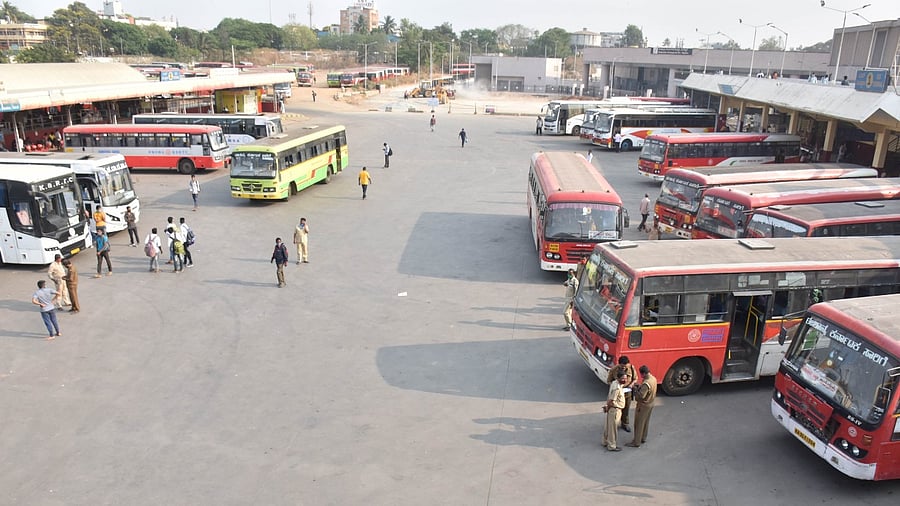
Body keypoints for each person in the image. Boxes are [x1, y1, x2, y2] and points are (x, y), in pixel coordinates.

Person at [627, 365, 658, 448]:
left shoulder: (646, 383)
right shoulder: (653, 379)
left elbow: (641, 396)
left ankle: (636, 442)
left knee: (639, 423)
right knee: (645, 422)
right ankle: (643, 437)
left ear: (643, 374)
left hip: (643, 405)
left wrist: (636, 390)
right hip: (650, 403)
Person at [607, 356, 638, 432]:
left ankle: (625, 424)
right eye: (622, 366)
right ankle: (614, 424)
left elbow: (635, 378)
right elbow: (609, 381)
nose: (624, 367)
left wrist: (632, 384)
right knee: (616, 410)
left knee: (626, 409)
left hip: (627, 393)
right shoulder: (614, 370)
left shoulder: (631, 368)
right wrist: (616, 386)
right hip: (618, 394)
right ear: (619, 364)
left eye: (625, 366)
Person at [602, 370, 628, 451]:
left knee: (608, 426)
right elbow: (611, 401)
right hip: (615, 410)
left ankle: (605, 441)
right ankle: (612, 445)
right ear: (618, 378)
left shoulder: (615, 383)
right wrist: (607, 407)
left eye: (626, 378)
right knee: (613, 429)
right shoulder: (617, 388)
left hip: (612, 410)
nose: (625, 380)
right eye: (623, 378)